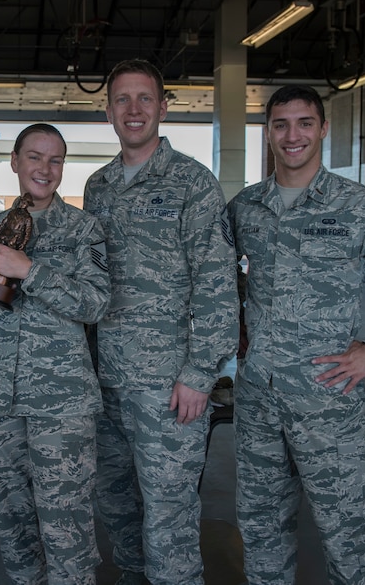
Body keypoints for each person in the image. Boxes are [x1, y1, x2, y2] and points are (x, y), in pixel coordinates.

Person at [228, 85, 365, 585]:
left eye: (304, 123)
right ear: (269, 132)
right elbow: (218, 277)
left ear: (322, 129)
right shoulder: (245, 208)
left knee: (347, 531)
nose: (292, 135)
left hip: (327, 398)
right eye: (280, 124)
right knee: (260, 526)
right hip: (258, 399)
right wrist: (235, 328)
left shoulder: (360, 206)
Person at [0, 123, 110, 584]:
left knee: (66, 527)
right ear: (14, 161)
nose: (44, 169)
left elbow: (95, 304)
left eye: (55, 160)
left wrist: (30, 270)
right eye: (34, 157)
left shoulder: (83, 229)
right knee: (13, 525)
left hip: (61, 406)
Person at [83, 59, 239, 585]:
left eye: (144, 98)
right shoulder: (98, 186)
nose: (133, 110)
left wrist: (200, 374)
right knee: (118, 506)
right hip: (106, 384)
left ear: (164, 107)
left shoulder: (193, 182)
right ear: (108, 111)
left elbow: (217, 284)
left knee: (169, 518)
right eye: (122, 99)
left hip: (169, 388)